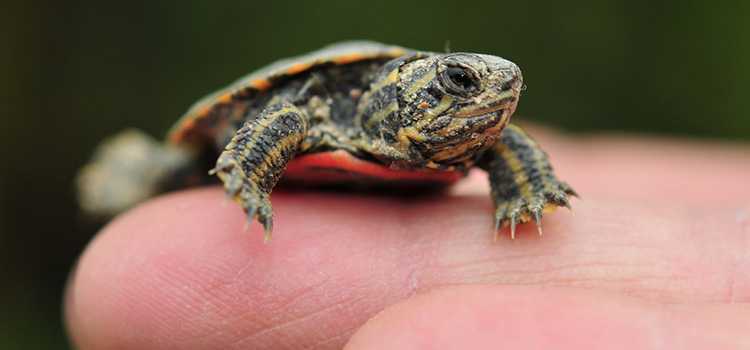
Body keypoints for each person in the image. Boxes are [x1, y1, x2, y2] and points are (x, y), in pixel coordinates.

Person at [65, 128, 750, 349]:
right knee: (177, 174)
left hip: (406, 180)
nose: (494, 96)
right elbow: (282, 114)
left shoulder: (470, 135)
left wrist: (524, 185)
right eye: (458, 83)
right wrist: (251, 169)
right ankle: (136, 167)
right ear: (406, 93)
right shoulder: (336, 105)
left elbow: (503, 139)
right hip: (255, 143)